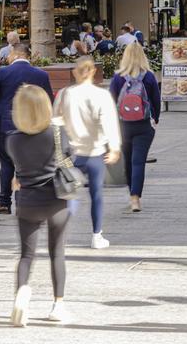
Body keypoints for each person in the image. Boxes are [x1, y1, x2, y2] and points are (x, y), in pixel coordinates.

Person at [6, 85, 73, 326]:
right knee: (57, 252)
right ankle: (58, 305)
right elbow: (69, 155)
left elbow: (17, 166)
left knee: (26, 255)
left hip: (27, 204)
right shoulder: (56, 132)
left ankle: (21, 294)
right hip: (56, 200)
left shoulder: (12, 140)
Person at [54, 56, 120, 249]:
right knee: (96, 194)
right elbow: (109, 124)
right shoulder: (101, 96)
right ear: (92, 71)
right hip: (95, 152)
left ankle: (60, 233)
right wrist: (114, 148)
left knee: (69, 193)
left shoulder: (65, 94)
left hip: (72, 153)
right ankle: (96, 235)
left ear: (75, 72)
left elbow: (56, 121)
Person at [0, 43, 53, 215]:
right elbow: (49, 100)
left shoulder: (3, 72)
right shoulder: (41, 75)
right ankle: (25, 202)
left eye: (9, 53)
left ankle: (4, 203)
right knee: (28, 165)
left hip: (5, 126)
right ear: (28, 56)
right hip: (32, 126)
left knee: (6, 164)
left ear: (15, 54)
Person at [109, 41, 161, 212]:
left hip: (123, 126)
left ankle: (132, 194)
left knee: (128, 161)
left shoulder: (118, 77)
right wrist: (156, 118)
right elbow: (156, 100)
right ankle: (135, 198)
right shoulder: (149, 76)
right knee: (138, 161)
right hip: (144, 126)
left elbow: (112, 101)